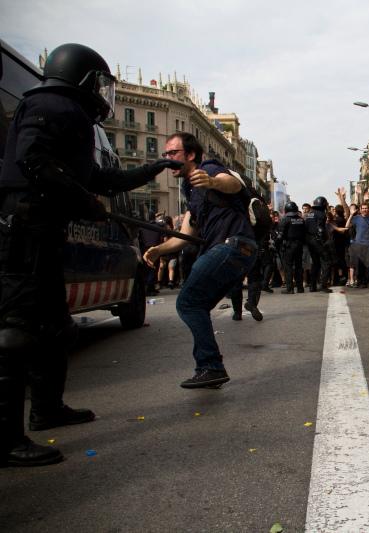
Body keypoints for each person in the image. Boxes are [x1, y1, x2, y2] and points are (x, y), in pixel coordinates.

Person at [0, 43, 181, 466]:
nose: (103, 94)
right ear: (81, 77)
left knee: (56, 327)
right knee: (16, 333)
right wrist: (83, 201)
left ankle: (47, 409)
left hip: (44, 232)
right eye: (99, 83)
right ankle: (5, 440)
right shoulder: (50, 104)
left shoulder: (71, 115)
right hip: (24, 230)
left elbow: (103, 177)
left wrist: (155, 168)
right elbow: (32, 162)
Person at [143, 132, 257, 389]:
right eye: (166, 154)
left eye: (173, 153)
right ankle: (209, 369)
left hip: (232, 245)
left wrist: (212, 182)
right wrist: (159, 250)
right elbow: (185, 235)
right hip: (237, 250)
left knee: (187, 302)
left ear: (190, 154)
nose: (168, 159)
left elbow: (233, 184)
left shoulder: (209, 169)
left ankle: (211, 366)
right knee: (197, 305)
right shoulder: (189, 190)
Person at [304, 196, 333, 293]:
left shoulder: (309, 214)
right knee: (327, 261)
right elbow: (320, 229)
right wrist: (323, 242)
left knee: (315, 263)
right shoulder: (321, 214)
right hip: (317, 240)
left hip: (309, 240)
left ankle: (313, 286)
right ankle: (323, 285)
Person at [278, 201, 305, 294]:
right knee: (299, 266)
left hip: (289, 246)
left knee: (288, 267)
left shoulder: (285, 219)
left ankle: (290, 288)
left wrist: (276, 244)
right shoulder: (301, 219)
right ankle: (300, 287)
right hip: (299, 245)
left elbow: (280, 235)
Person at [345, 203, 369, 288]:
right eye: (363, 208)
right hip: (359, 244)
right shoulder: (356, 218)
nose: (365, 210)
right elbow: (347, 226)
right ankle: (361, 282)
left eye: (366, 208)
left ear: (368, 209)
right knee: (360, 265)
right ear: (360, 209)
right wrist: (351, 215)